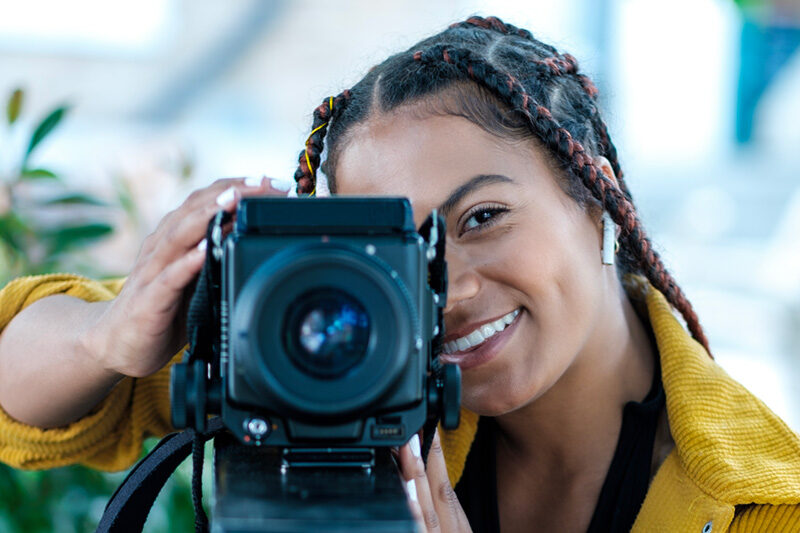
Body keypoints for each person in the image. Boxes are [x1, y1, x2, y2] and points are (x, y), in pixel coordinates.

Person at [1, 16, 798, 533]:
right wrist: (110, 336)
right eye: (400, 250)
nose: (445, 289)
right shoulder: (340, 351)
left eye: (483, 217)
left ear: (593, 199)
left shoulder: (765, 502)